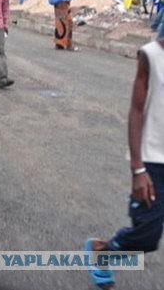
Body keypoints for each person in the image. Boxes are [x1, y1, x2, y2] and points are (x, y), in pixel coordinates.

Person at [84, 29, 164, 289]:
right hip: (153, 160)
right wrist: (138, 168)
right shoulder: (150, 55)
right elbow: (136, 110)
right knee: (147, 234)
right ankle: (103, 252)